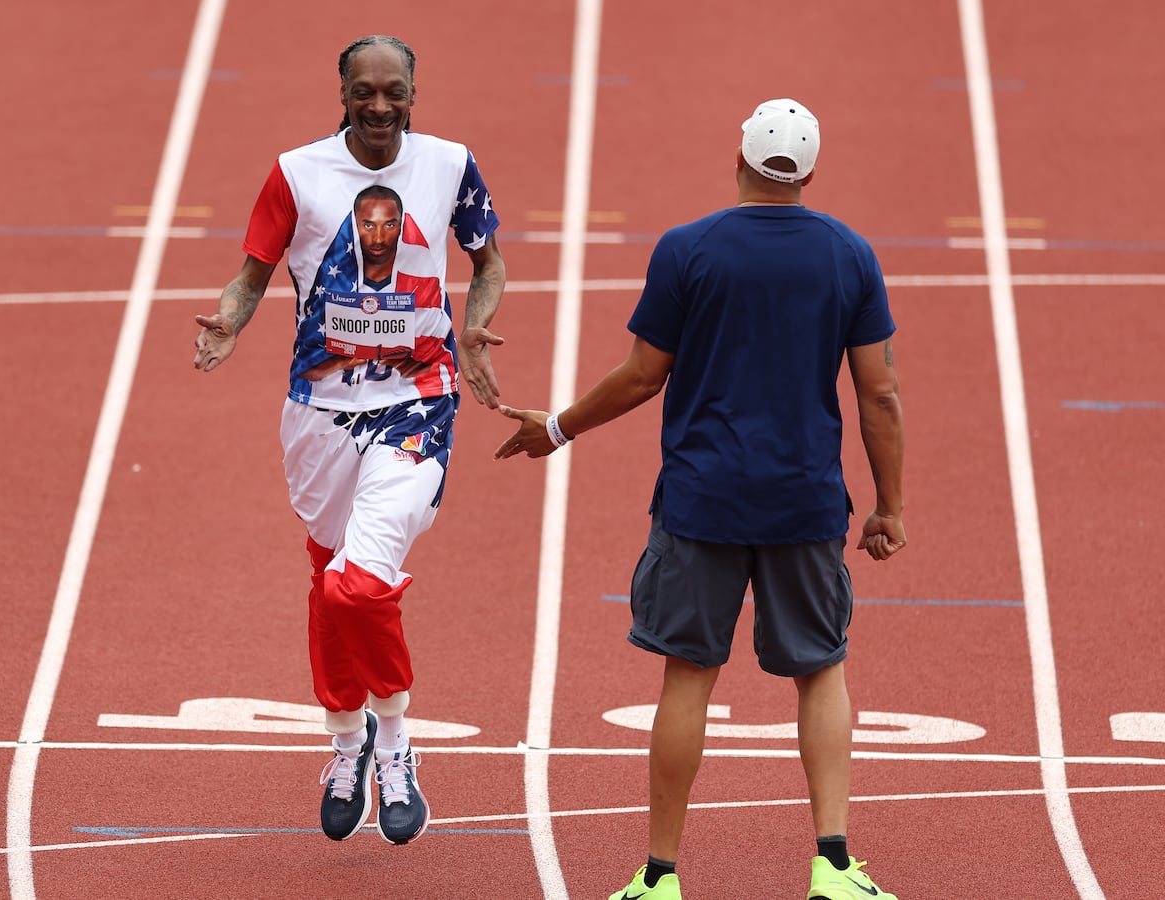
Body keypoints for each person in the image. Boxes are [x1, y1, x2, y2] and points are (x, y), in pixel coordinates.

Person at [494, 99, 905, 899]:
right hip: (805, 503)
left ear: (740, 161)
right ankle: (832, 867)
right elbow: (878, 393)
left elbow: (645, 375)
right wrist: (890, 505)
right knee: (821, 674)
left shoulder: (689, 249)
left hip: (701, 500)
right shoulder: (851, 255)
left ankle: (660, 877)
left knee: (688, 677)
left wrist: (559, 427)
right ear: (810, 173)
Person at [193, 35, 507, 846]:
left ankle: (395, 739)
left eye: (393, 91)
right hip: (318, 411)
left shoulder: (449, 165)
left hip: (419, 401)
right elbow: (252, 274)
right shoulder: (298, 173)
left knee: (357, 586)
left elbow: (490, 261)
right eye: (364, 91)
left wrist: (474, 328)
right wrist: (229, 320)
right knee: (325, 576)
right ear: (341, 90)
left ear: (413, 92)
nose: (378, 106)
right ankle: (344, 742)